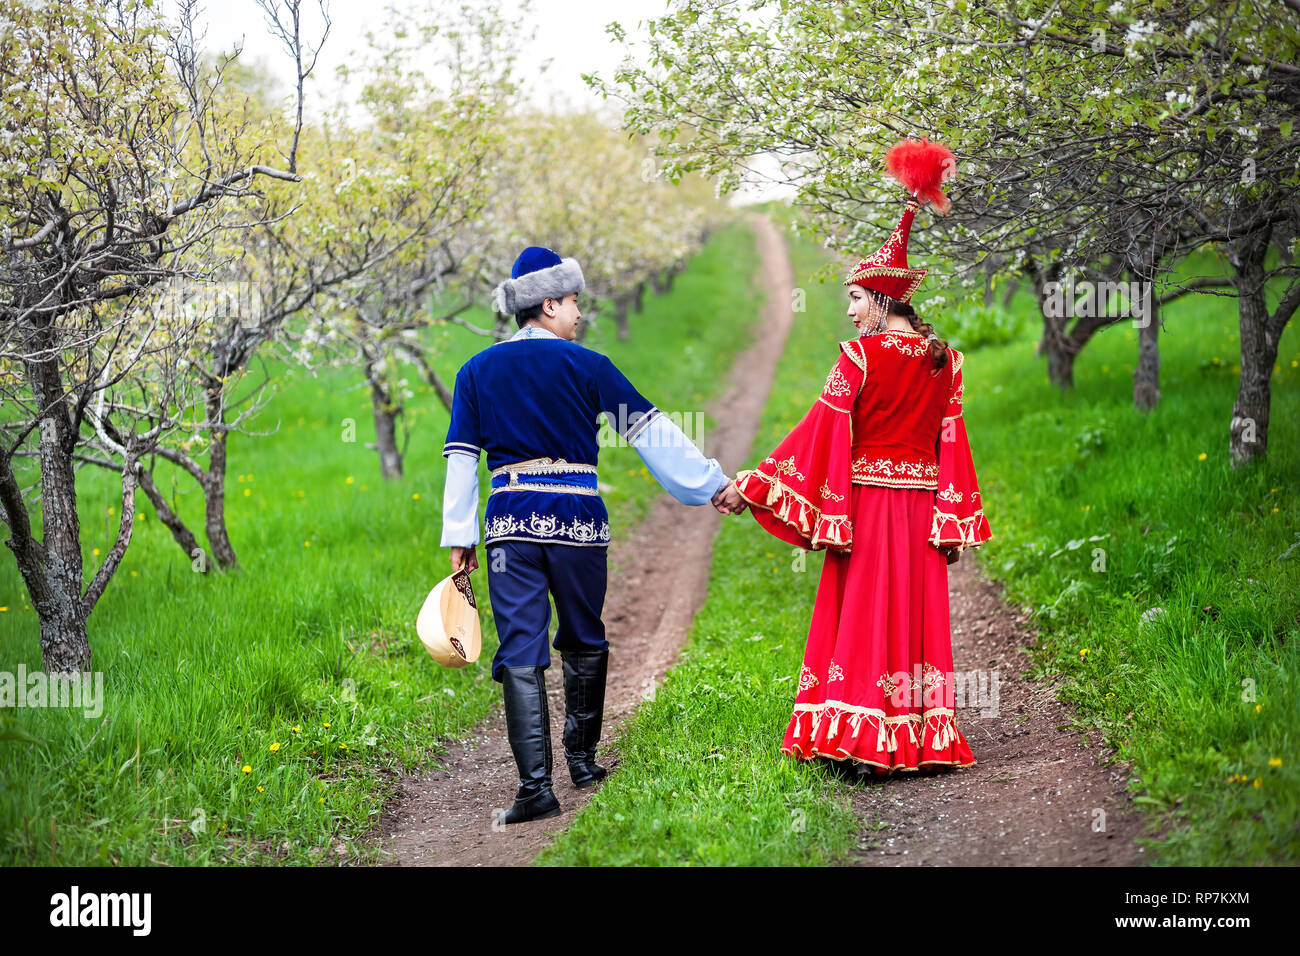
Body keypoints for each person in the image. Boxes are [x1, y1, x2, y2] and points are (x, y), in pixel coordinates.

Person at [715, 137, 993, 777]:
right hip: (922, 513)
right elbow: (954, 444)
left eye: (856, 299)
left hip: (867, 509)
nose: (848, 310)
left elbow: (818, 432)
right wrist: (952, 517)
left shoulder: (859, 358)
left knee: (865, 617)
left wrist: (752, 483)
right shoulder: (944, 361)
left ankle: (861, 743)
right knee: (911, 618)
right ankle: (912, 740)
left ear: (884, 300)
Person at [441, 245, 738, 824]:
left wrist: (459, 535)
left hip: (509, 528)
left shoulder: (475, 371)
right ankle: (581, 759)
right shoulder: (589, 366)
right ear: (548, 304)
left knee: (520, 649)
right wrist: (712, 486)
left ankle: (535, 790)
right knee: (583, 635)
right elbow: (652, 433)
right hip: (578, 524)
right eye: (574, 302)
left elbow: (460, 457)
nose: (580, 313)